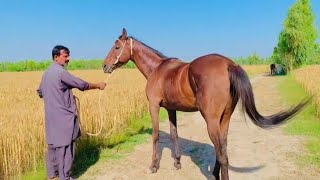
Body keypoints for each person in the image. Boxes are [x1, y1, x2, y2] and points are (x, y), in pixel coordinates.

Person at [37, 45, 106, 180]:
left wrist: (55, 95)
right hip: (64, 119)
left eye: (68, 55)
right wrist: (98, 85)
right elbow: (81, 85)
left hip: (51, 118)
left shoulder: (46, 73)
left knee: (53, 147)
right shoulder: (61, 73)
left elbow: (40, 92)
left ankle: (52, 176)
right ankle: (65, 177)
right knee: (65, 148)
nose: (68, 59)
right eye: (65, 56)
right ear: (56, 57)